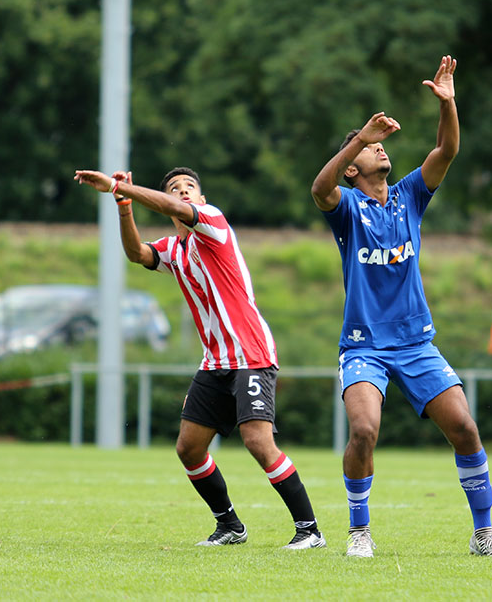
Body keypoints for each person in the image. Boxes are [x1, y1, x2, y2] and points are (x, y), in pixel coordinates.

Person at [310, 55, 492, 558]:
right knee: (363, 430)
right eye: (370, 147)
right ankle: (360, 532)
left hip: (415, 342)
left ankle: (484, 533)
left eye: (380, 143)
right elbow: (320, 188)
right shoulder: (347, 208)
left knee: (465, 427)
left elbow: (447, 148)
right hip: (363, 346)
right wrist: (359, 137)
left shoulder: (409, 197)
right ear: (354, 165)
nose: (381, 148)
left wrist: (449, 103)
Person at [73, 166, 326, 549]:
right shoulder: (175, 249)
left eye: (189, 187)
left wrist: (119, 184)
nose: (183, 192)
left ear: (201, 200)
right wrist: (123, 203)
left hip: (251, 353)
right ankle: (230, 526)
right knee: (189, 448)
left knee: (257, 441)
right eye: (175, 188)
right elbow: (137, 253)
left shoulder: (213, 222)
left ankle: (310, 530)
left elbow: (173, 208)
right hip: (215, 361)